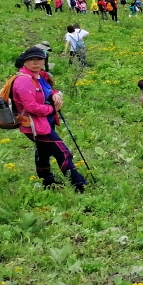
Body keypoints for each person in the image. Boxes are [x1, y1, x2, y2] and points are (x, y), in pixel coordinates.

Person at [10, 47, 86, 191]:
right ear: (24, 62)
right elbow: (31, 106)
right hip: (34, 125)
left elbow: (49, 90)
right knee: (62, 152)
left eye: (39, 59)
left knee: (43, 151)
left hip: (45, 122)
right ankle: (79, 184)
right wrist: (52, 109)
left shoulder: (41, 75)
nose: (36, 62)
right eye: (31, 60)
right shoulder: (23, 80)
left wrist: (56, 95)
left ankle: (47, 181)